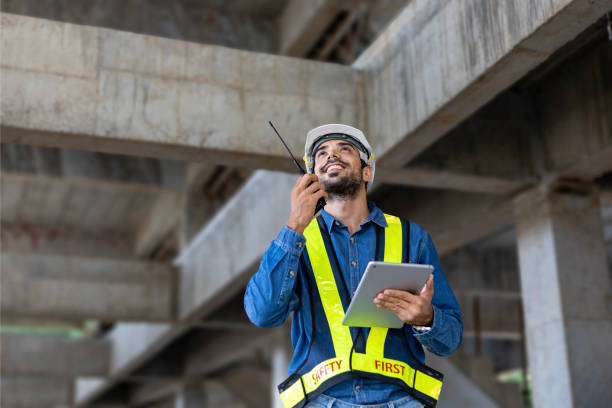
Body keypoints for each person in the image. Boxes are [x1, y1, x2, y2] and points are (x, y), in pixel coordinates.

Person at [244, 124, 462, 408]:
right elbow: (262, 313)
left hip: (401, 401)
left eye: (344, 149)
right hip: (322, 401)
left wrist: (427, 318)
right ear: (312, 176)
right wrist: (295, 224)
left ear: (367, 171)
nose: (331, 155)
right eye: (321, 153)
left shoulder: (413, 237)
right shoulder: (295, 241)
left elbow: (451, 339)